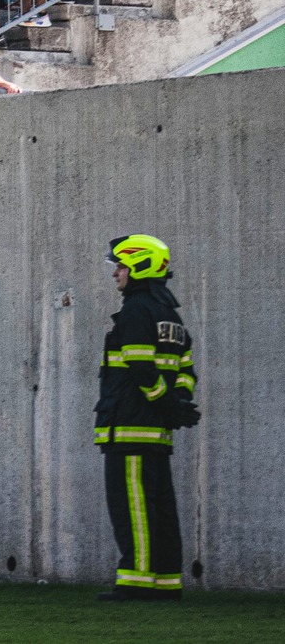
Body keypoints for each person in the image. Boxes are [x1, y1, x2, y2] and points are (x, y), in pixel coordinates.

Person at [96, 234, 199, 601]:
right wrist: (179, 403)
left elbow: (140, 368)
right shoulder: (169, 314)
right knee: (160, 509)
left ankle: (137, 583)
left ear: (139, 266)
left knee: (134, 509)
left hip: (130, 428)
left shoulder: (137, 310)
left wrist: (167, 405)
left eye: (121, 266)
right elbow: (185, 369)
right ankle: (167, 581)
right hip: (156, 431)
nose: (116, 273)